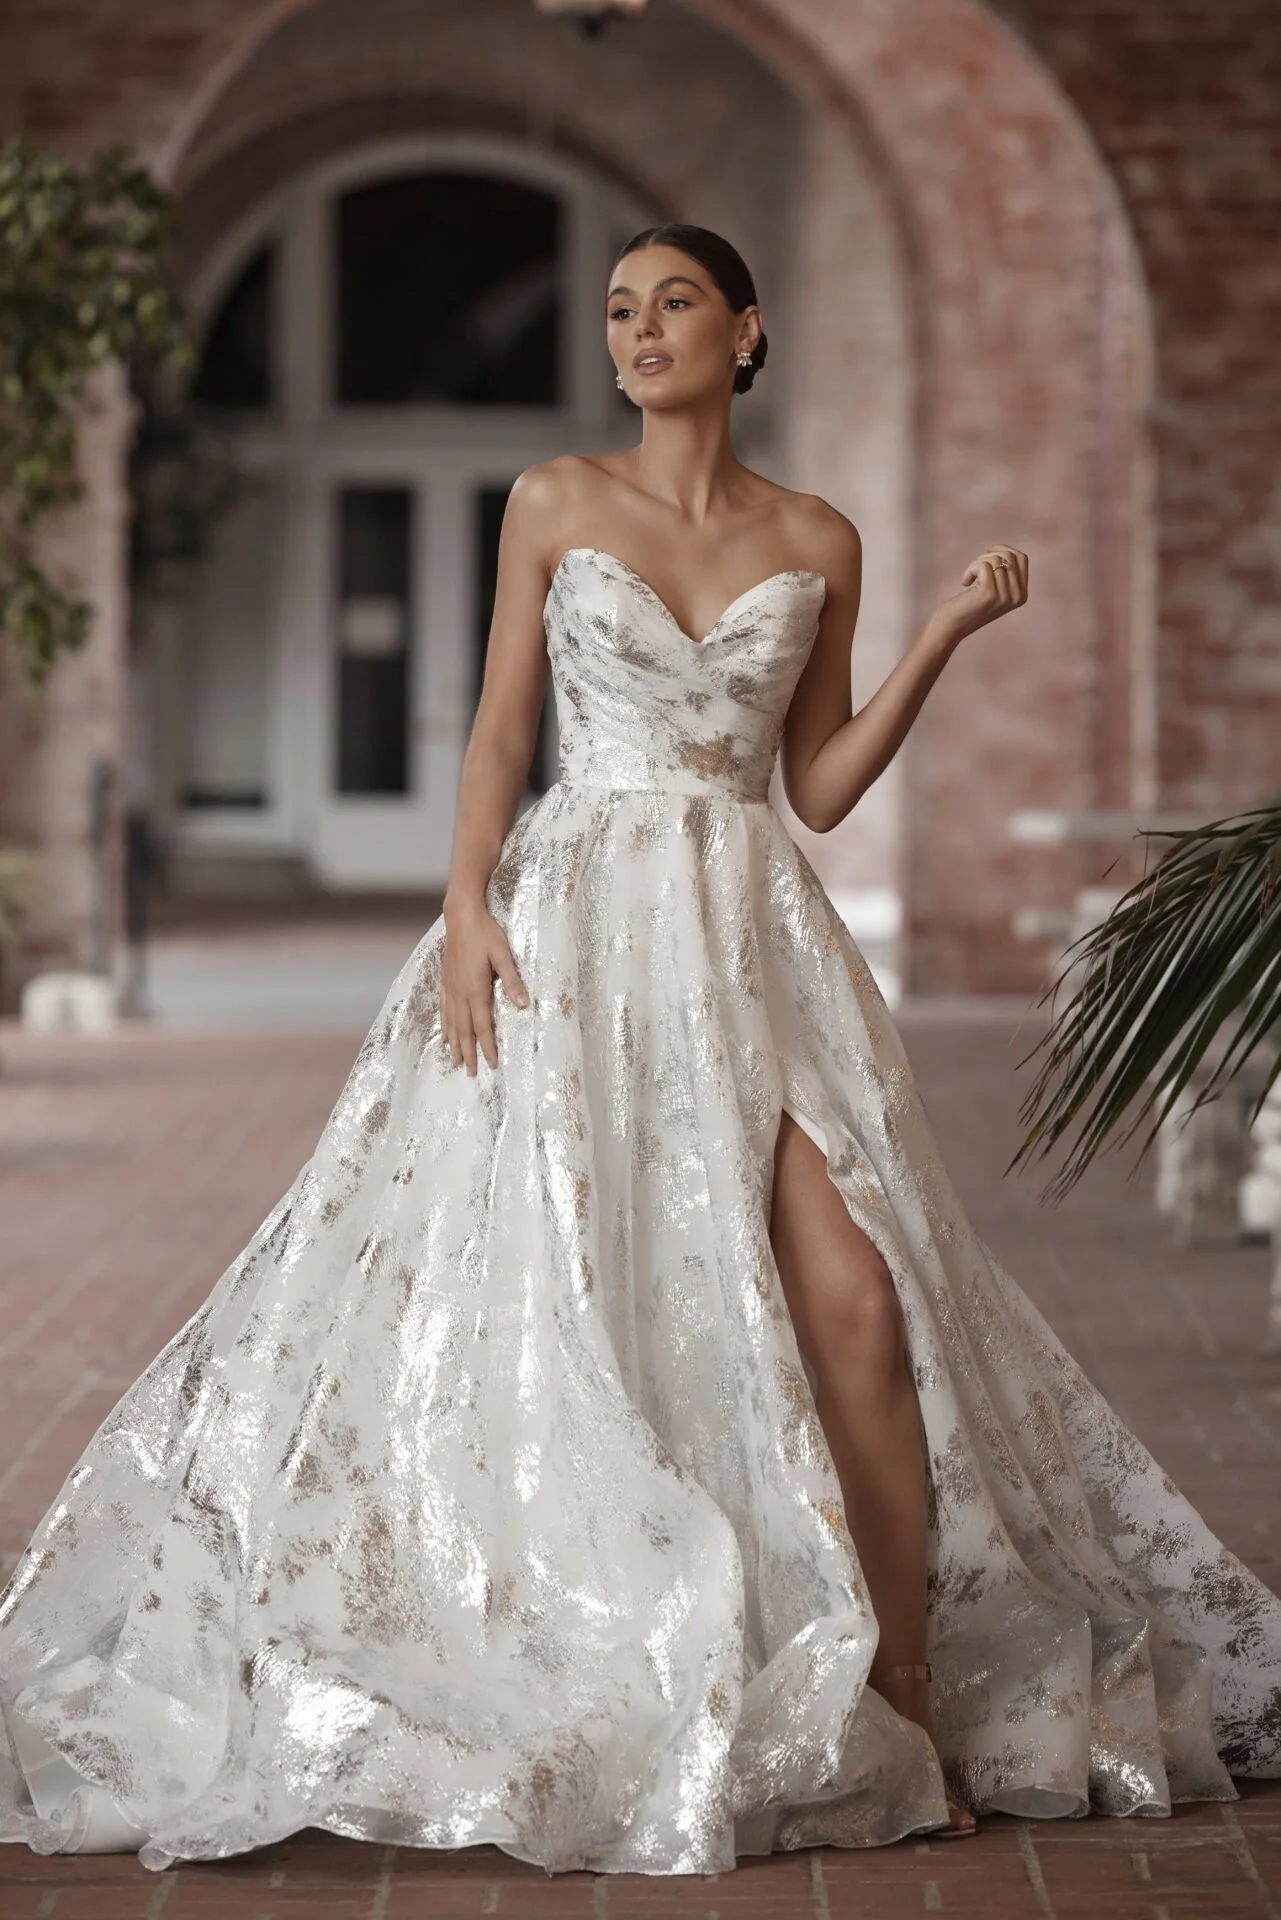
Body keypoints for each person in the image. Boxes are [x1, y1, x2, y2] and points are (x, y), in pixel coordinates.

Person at [1, 224, 1278, 1876]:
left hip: (750, 943)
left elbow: (817, 788)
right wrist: (467, 904)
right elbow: (500, 727)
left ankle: (902, 1693)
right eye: (619, 308)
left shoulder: (816, 535)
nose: (640, 328)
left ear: (746, 330)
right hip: (574, 935)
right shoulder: (555, 500)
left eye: (675, 302)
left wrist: (941, 638)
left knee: (862, 1300)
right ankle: (601, 1627)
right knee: (576, 1286)